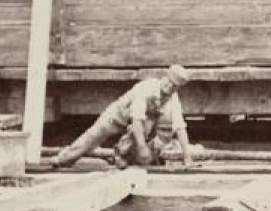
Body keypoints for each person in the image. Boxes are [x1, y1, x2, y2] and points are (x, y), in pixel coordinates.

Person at [52, 65, 194, 169]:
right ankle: (63, 159)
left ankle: (122, 157)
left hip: (136, 126)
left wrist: (187, 157)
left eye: (174, 86)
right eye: (169, 82)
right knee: (93, 136)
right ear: (164, 77)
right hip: (117, 116)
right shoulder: (146, 87)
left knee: (147, 126)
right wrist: (142, 147)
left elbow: (180, 127)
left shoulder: (172, 98)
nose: (169, 87)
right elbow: (137, 118)